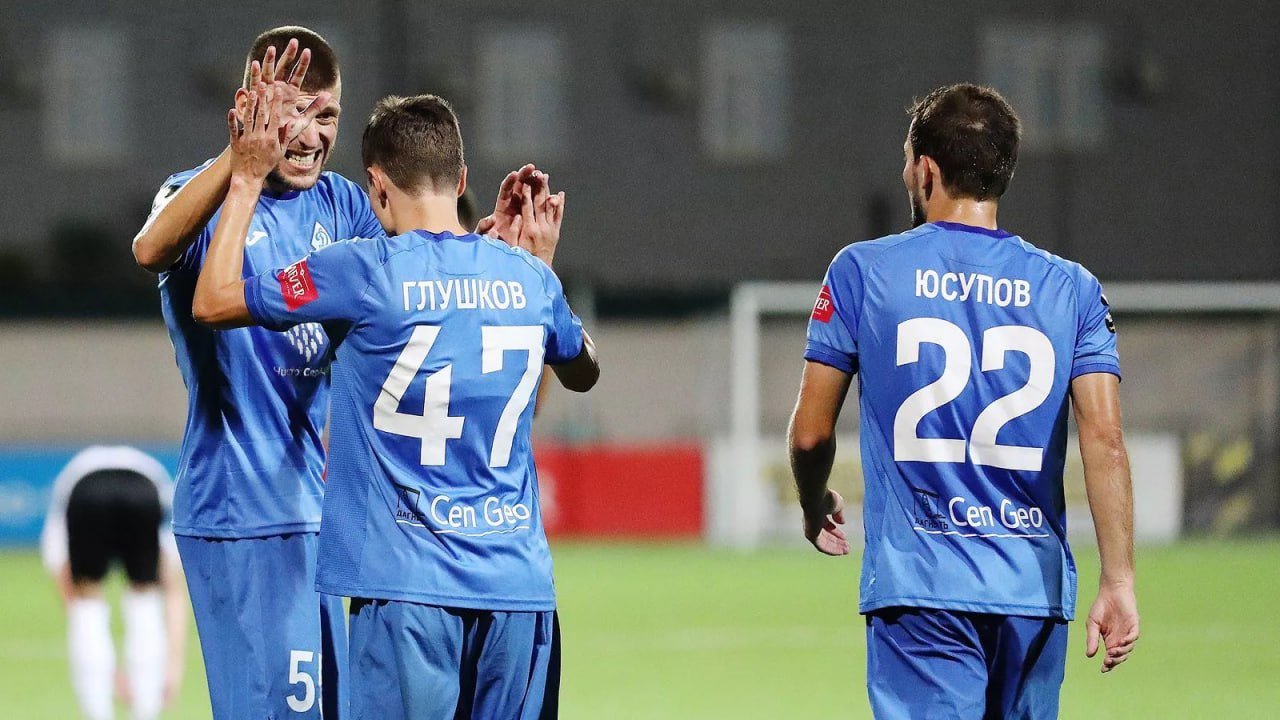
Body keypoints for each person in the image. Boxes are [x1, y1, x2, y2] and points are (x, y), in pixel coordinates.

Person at [130, 26, 542, 719]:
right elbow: (150, 249)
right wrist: (240, 162)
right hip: (247, 512)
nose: (314, 134)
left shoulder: (344, 206)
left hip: (337, 521)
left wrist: (490, 254)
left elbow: (414, 281)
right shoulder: (198, 194)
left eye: (328, 116)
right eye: (296, 111)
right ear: (251, 107)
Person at [191, 86, 597, 718]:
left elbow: (213, 300)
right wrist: (538, 266)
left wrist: (244, 180)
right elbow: (582, 371)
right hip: (519, 593)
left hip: (407, 590)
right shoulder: (528, 279)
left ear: (377, 187)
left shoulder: (360, 269)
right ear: (461, 179)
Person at [787, 83, 1139, 719]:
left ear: (925, 170)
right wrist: (1118, 579)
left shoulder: (863, 271)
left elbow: (812, 434)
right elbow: (1104, 440)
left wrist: (814, 504)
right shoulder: (1073, 289)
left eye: (906, 161)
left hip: (921, 587)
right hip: (1031, 592)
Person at [40, 446, 188, 720]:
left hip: (86, 489)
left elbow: (67, 584)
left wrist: (105, 672)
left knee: (86, 602)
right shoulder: (160, 486)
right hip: (144, 489)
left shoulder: (68, 486)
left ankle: (98, 712)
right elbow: (173, 588)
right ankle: (146, 711)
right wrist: (173, 666)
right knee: (145, 595)